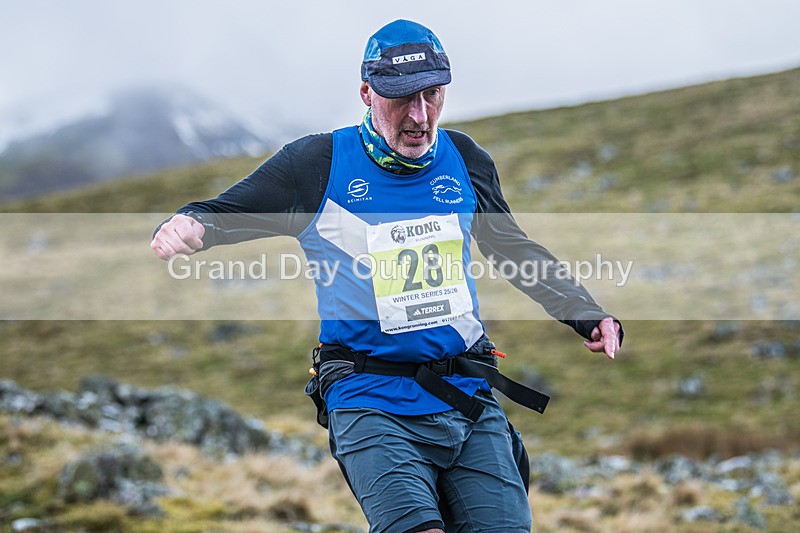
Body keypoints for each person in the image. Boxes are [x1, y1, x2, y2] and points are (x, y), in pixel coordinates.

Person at [151, 19, 621, 533]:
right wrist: (186, 226)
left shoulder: (465, 159)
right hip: (369, 399)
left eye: (433, 96)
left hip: (466, 396)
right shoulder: (316, 165)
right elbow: (218, 213)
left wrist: (586, 313)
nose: (420, 117)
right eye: (402, 99)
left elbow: (512, 248)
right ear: (366, 93)